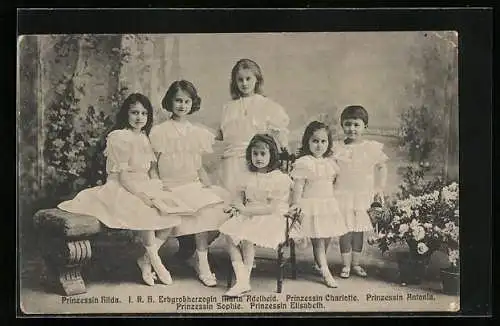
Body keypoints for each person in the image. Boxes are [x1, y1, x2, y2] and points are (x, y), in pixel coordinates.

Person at [58, 93, 181, 286]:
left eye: (143, 113)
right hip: (122, 187)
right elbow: (123, 177)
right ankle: (156, 262)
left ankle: (146, 259)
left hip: (142, 184)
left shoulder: (143, 138)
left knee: (171, 218)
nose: (139, 117)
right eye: (134, 113)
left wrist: (159, 188)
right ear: (126, 114)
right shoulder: (119, 137)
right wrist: (142, 196)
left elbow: (151, 170)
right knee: (146, 212)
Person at [149, 80, 230, 287]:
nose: (182, 105)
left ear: (192, 104)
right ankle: (154, 256)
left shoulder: (197, 132)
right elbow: (153, 166)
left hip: (192, 183)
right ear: (170, 102)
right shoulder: (160, 131)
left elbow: (198, 166)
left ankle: (201, 260)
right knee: (193, 208)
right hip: (170, 185)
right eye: (178, 100)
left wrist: (209, 186)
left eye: (187, 101)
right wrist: (157, 187)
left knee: (212, 205)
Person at [218, 134, 293, 297]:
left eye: (263, 154)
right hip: (248, 214)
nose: (258, 158)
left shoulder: (279, 178)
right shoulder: (246, 175)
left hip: (269, 217)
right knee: (229, 235)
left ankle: (243, 282)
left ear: (272, 155)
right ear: (250, 155)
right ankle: (243, 279)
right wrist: (237, 207)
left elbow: (272, 208)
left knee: (246, 235)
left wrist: (245, 211)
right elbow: (238, 196)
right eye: (255, 153)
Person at [217, 58, 290, 197]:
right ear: (235, 82)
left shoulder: (267, 105)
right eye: (240, 79)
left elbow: (280, 134)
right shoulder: (228, 108)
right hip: (231, 163)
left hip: (257, 159)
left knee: (254, 199)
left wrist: (284, 152)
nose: (244, 83)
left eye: (248, 79)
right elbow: (222, 134)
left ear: (257, 79)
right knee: (231, 199)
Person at [332, 105, 388, 278]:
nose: (352, 129)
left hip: (363, 194)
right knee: (345, 230)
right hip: (343, 193)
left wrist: (379, 188)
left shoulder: (370, 148)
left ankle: (356, 263)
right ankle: (346, 265)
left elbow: (382, 166)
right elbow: (331, 170)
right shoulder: (337, 147)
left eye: (356, 124)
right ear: (342, 125)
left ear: (365, 126)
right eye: (348, 124)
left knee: (358, 231)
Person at [290, 121, 348, 288]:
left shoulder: (330, 163)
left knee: (327, 234)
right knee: (319, 240)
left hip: (327, 204)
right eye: (315, 141)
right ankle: (325, 270)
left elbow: (334, 183)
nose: (319, 145)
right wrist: (296, 205)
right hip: (311, 205)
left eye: (323, 141)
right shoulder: (304, 162)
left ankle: (318, 262)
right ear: (307, 142)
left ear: (328, 143)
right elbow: (298, 187)